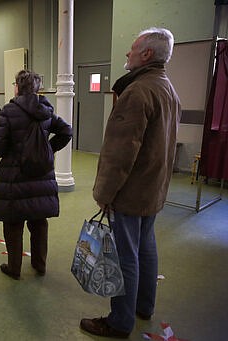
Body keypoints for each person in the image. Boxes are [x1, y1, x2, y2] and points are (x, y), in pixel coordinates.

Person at [80, 27, 181, 338]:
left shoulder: (137, 92)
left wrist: (105, 192)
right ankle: (143, 307)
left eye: (133, 48)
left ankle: (119, 321)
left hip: (132, 190)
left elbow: (120, 152)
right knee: (146, 248)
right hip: (153, 189)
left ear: (146, 54)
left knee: (125, 256)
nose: (128, 53)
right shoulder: (167, 88)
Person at [0, 70, 72, 280]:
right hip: (41, 176)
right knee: (39, 222)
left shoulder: (9, 110)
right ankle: (40, 264)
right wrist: (48, 149)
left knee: (13, 224)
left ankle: (14, 268)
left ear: (17, 87)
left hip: (14, 176)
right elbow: (66, 131)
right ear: (37, 89)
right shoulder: (45, 109)